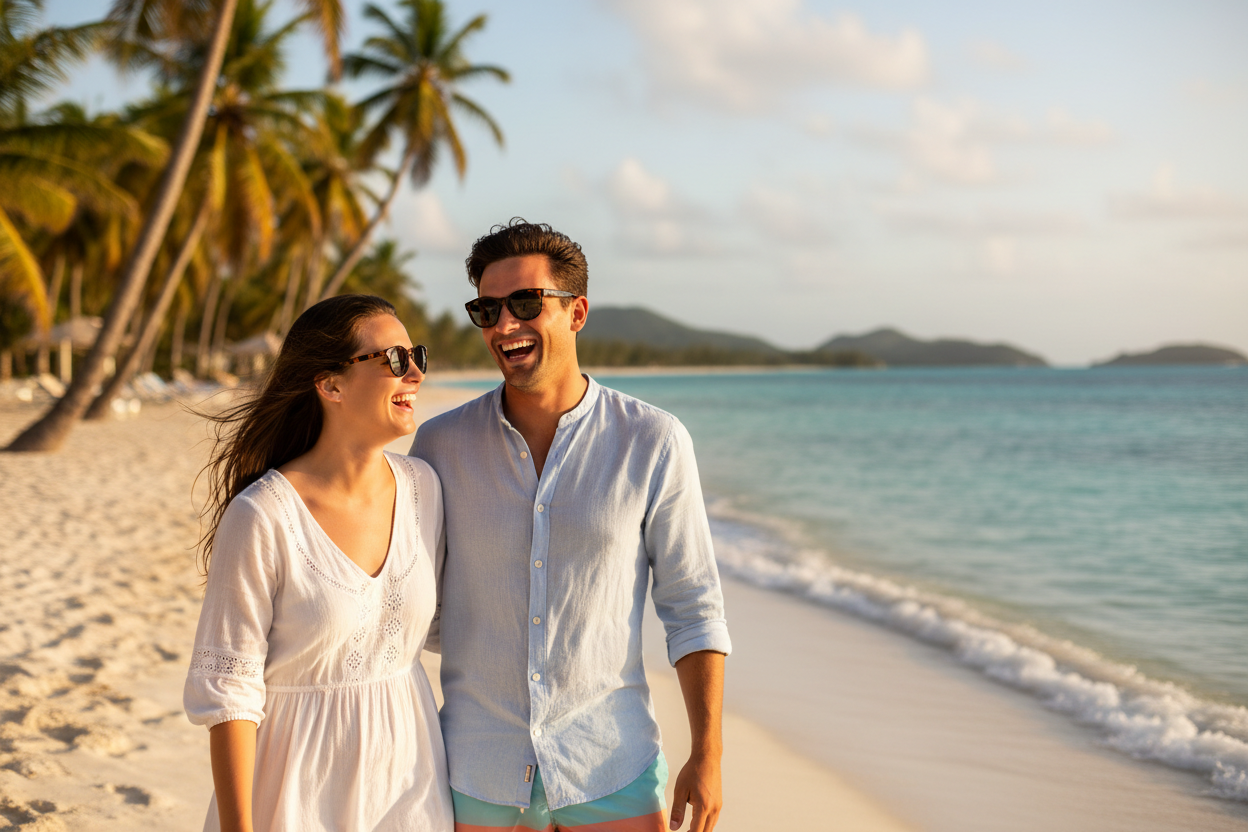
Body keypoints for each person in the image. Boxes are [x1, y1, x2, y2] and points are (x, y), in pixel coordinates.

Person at [411, 220, 731, 832]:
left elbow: (693, 607)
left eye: (526, 303)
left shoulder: (653, 441)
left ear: (576, 311)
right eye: (488, 309)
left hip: (611, 767)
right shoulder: (440, 445)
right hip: (475, 771)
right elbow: (410, 603)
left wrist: (707, 755)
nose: (505, 325)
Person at [184, 294, 453, 832]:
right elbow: (230, 694)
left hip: (411, 784)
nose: (416, 373)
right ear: (330, 385)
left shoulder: (425, 488)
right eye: (394, 360)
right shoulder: (262, 515)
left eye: (416, 354)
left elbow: (452, 630)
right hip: (295, 791)